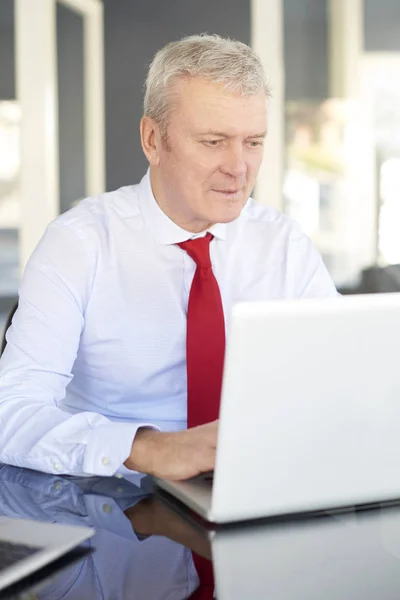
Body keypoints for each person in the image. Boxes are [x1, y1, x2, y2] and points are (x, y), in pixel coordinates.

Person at [0, 34, 337, 480]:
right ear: (153, 140)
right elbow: (11, 412)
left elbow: (341, 382)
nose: (238, 167)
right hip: (116, 503)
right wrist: (145, 449)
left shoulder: (283, 244)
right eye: (214, 141)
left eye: (253, 142)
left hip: (256, 485)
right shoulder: (79, 244)